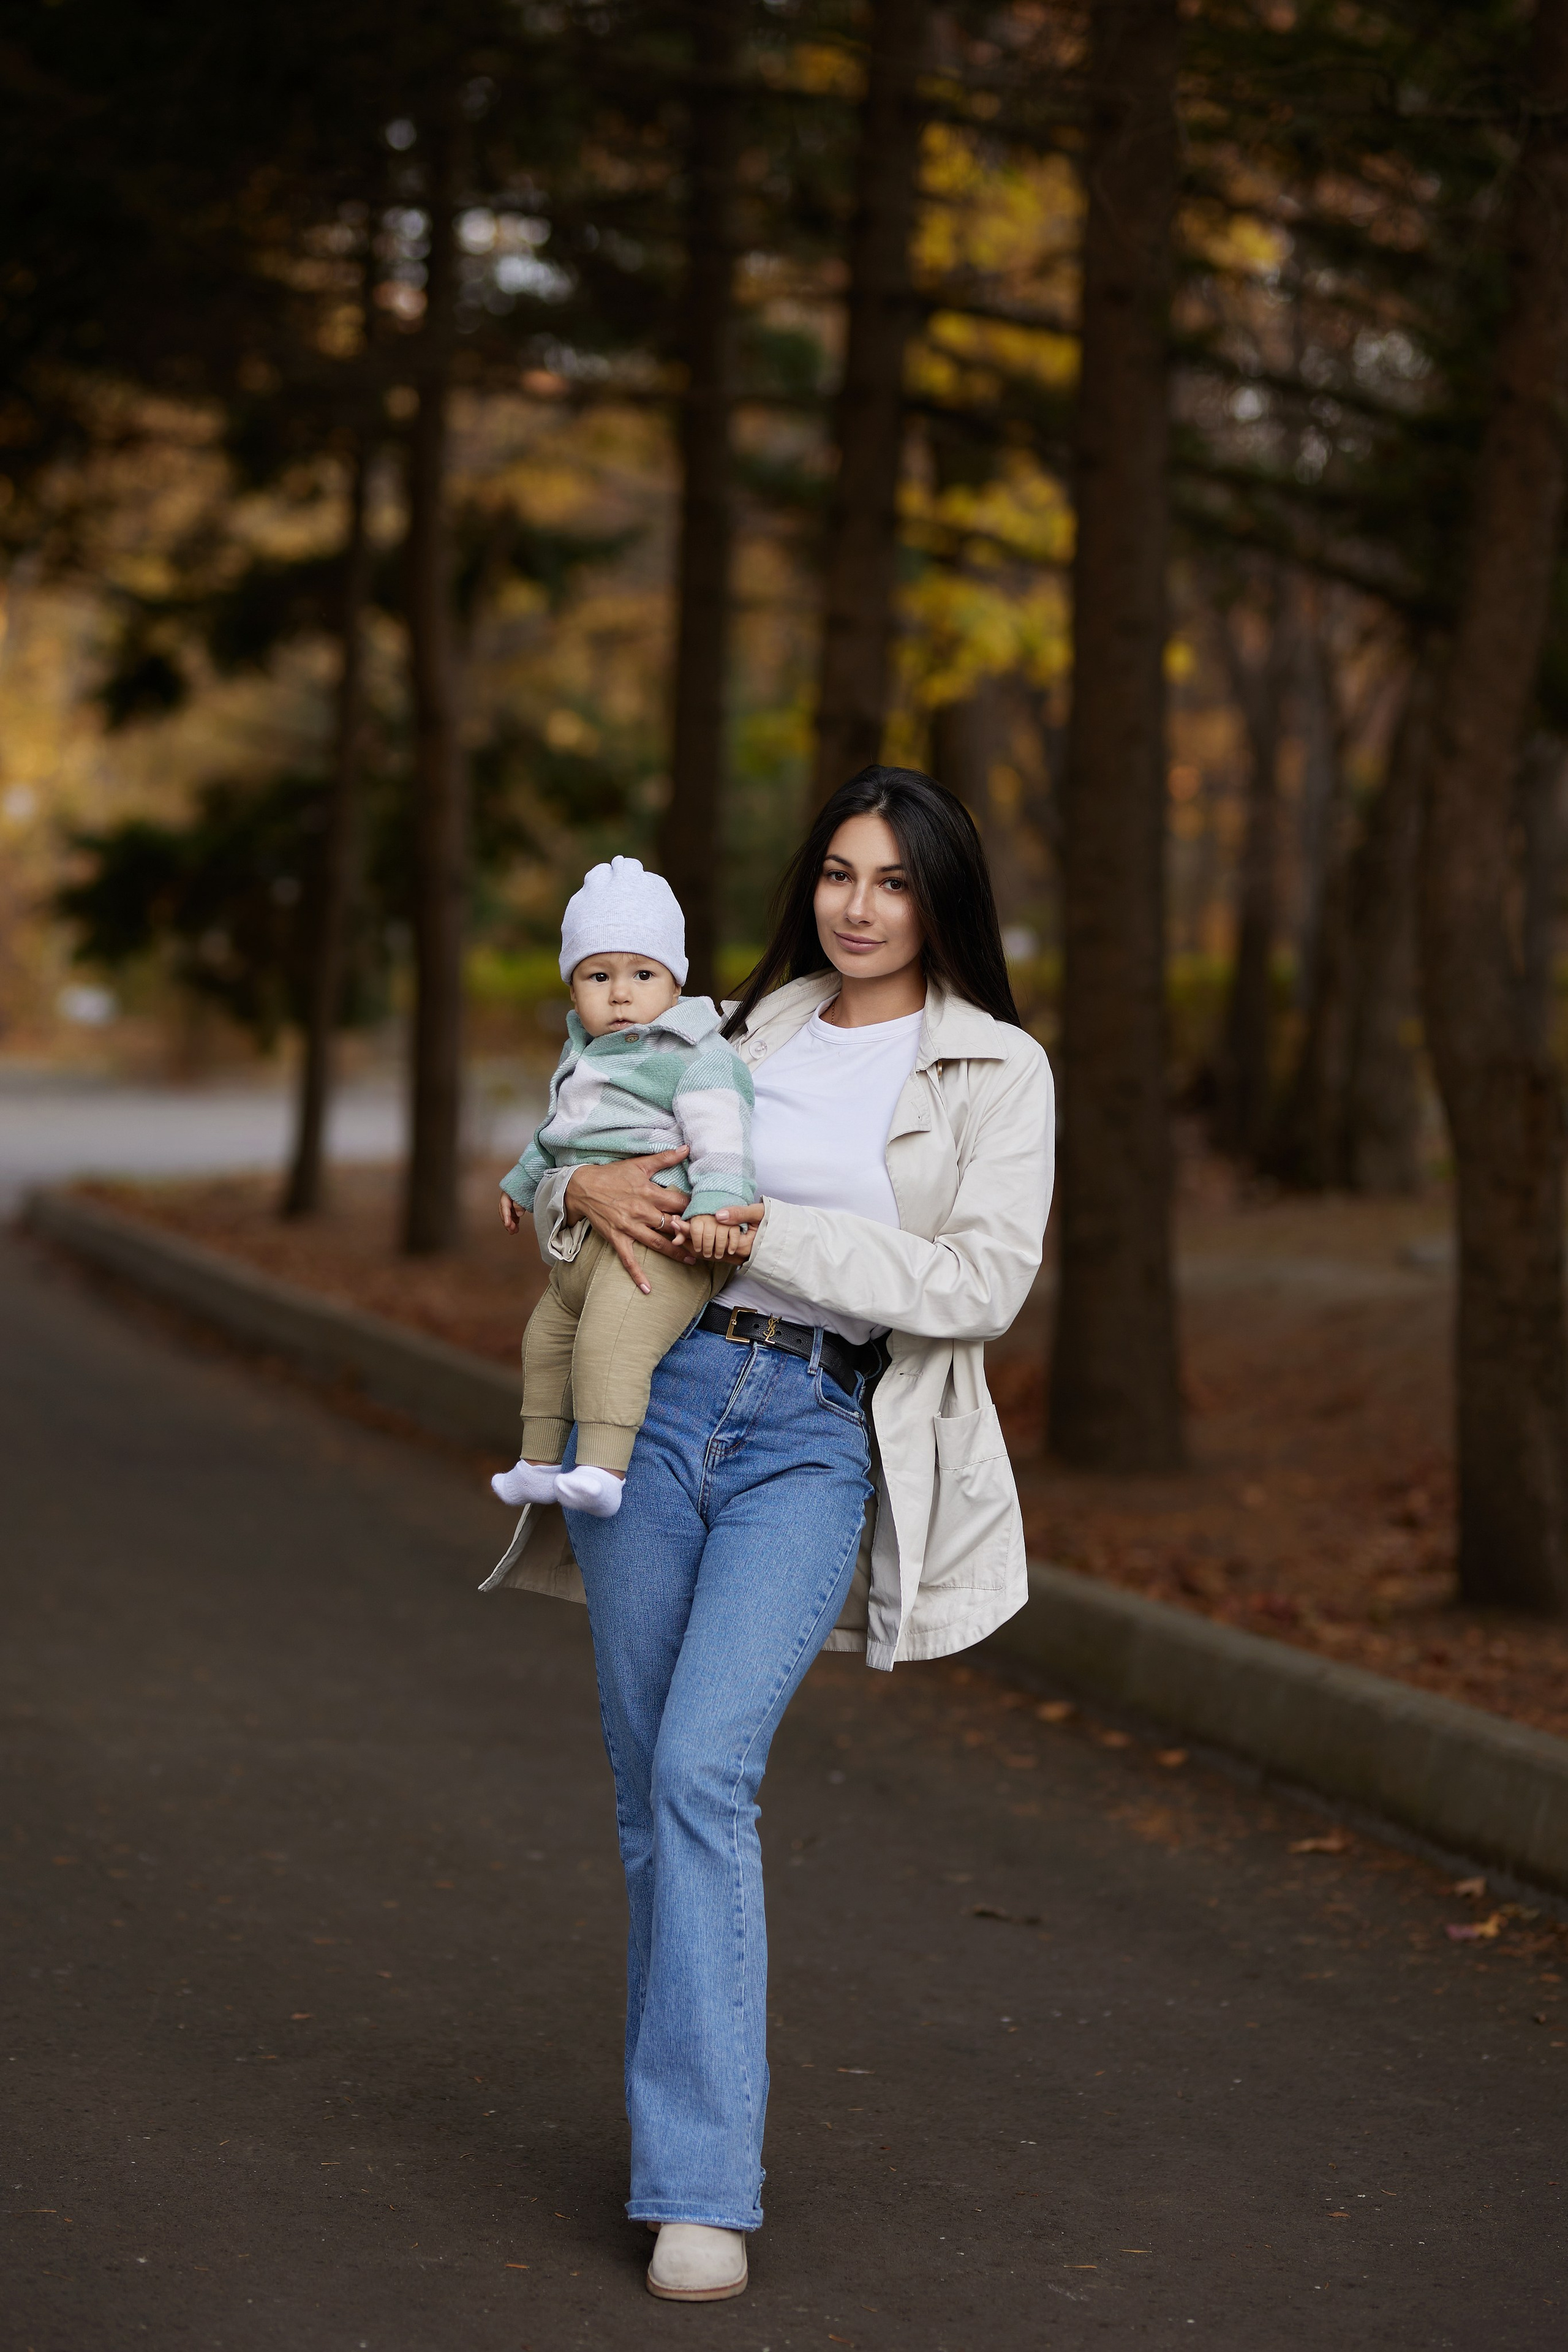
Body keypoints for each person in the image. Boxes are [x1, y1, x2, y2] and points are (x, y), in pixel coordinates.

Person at [482, 767, 1055, 2301]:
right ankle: (682, 2156)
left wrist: (765, 1231)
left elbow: (980, 1283)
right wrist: (580, 1191)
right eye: (839, 874)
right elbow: (588, 1145)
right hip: (659, 1395)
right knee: (647, 1794)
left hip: (814, 1429)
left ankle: (699, 2188)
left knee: (698, 1771)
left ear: (939, 898)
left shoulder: (995, 1068)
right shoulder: (740, 1025)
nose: (859, 907)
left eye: (894, 881)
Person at [491, 857, 755, 1519]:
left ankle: (602, 1470)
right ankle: (537, 1463)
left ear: (675, 982)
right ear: (572, 987)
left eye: (642, 975)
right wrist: (522, 1183)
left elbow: (724, 1140)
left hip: (660, 1245)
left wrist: (716, 1209)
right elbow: (555, 1133)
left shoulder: (695, 1054)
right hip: (583, 1245)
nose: (619, 995)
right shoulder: (582, 1053)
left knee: (610, 1348)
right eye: (598, 976)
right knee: (545, 1342)